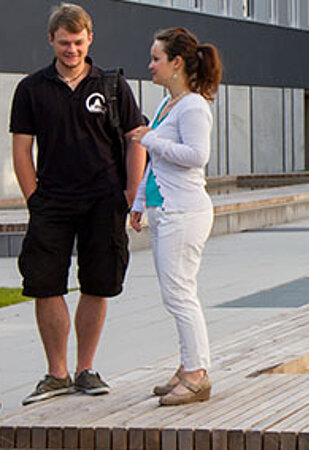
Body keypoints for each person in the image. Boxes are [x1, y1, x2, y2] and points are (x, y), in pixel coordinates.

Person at [10, 3, 146, 405]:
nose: (71, 49)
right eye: (64, 42)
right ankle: (57, 373)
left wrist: (130, 194)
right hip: (51, 200)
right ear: (51, 41)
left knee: (98, 283)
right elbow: (21, 149)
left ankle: (86, 369)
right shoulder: (31, 89)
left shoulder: (112, 85)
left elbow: (135, 139)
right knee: (44, 283)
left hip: (103, 200)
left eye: (78, 42)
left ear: (90, 40)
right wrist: (34, 197)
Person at [129, 28, 222, 406]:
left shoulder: (193, 106)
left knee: (180, 295)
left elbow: (197, 156)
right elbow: (157, 166)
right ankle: (187, 366)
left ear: (176, 63)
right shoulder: (170, 105)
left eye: (156, 58)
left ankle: (197, 374)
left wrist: (149, 139)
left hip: (184, 212)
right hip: (166, 210)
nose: (150, 65)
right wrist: (137, 201)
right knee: (176, 294)